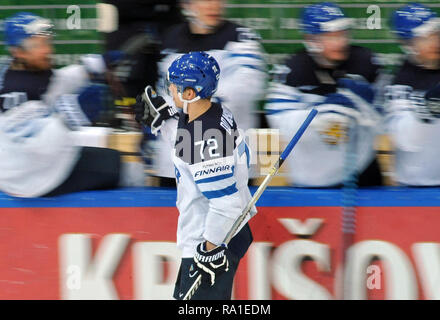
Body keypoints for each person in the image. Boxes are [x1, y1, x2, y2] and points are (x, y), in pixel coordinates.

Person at [133, 51, 255, 300]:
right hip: (225, 232)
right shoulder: (214, 112)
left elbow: (225, 204)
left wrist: (209, 251)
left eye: (174, 88)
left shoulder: (203, 138)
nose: (170, 91)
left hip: (212, 239)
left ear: (190, 93)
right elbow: (188, 141)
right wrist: (164, 122)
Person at [0, 12, 145, 198]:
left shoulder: (27, 71)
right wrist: (72, 114)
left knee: (112, 157)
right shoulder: (13, 94)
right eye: (37, 45)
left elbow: (57, 82)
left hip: (43, 165)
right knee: (129, 171)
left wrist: (94, 66)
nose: (46, 50)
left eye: (46, 42)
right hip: (32, 178)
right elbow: (37, 147)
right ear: (17, 51)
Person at [141, 0, 267, 186]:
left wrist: (184, 101)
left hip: (227, 164)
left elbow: (248, 86)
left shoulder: (241, 38)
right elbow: (162, 94)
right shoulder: (169, 39)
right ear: (186, 5)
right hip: (175, 166)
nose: (213, 6)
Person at [264, 2, 384, 187]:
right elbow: (279, 119)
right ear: (311, 40)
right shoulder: (292, 70)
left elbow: (385, 116)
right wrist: (323, 115)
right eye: (331, 36)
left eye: (342, 34)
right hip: (313, 173)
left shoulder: (366, 62)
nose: (340, 42)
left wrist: (363, 106)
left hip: (361, 171)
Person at [386, 3, 440, 186]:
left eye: (436, 34)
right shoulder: (401, 82)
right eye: (423, 39)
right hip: (419, 185)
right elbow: (405, 140)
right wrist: (428, 110)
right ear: (407, 44)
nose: (435, 43)